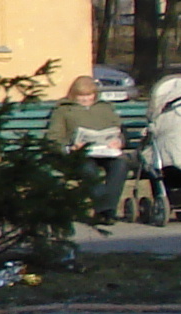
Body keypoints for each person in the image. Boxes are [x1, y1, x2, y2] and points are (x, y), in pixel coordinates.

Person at [46, 73, 127, 223]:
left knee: (120, 165)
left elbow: (119, 130)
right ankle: (107, 211)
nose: (85, 99)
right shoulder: (64, 110)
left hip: (105, 151)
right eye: (81, 96)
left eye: (89, 95)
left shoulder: (105, 108)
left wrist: (119, 141)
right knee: (87, 168)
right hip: (78, 154)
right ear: (73, 95)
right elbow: (54, 138)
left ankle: (104, 209)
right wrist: (70, 147)